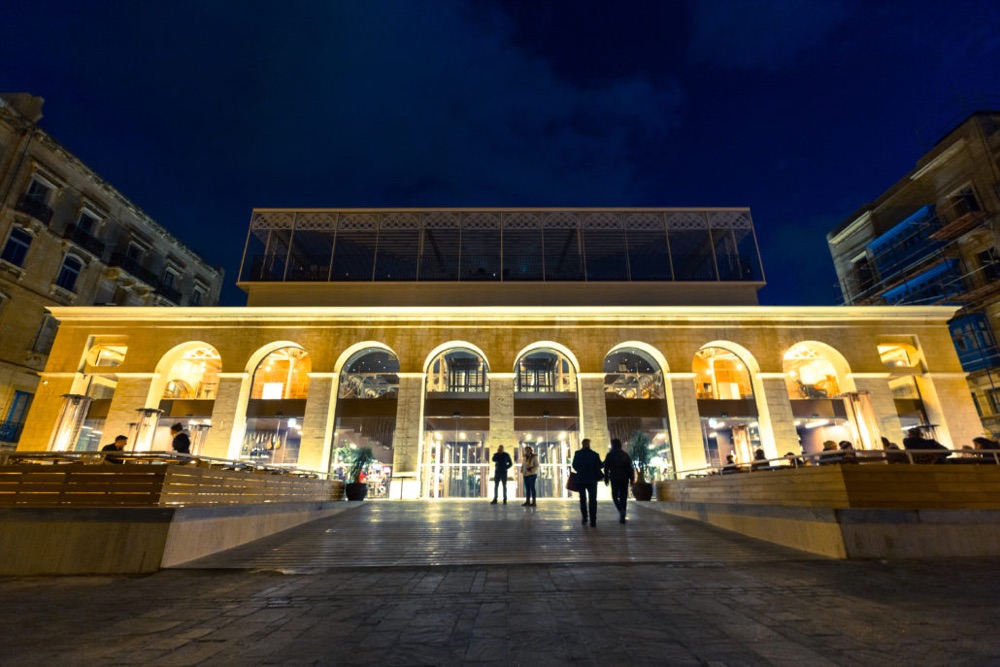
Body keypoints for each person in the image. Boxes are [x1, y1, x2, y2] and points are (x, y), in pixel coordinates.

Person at [571, 438, 603, 527]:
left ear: (582, 444)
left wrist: (581, 470)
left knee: (583, 499)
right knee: (593, 500)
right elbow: (600, 465)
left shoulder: (577, 454)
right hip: (592, 480)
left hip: (581, 479)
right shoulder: (594, 454)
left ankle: (584, 517)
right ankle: (593, 520)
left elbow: (574, 465)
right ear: (589, 444)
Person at [603, 438, 634, 524]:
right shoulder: (625, 455)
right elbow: (630, 468)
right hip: (624, 478)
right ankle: (622, 513)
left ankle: (621, 510)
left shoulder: (610, 455)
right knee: (623, 497)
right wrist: (632, 478)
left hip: (614, 478)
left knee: (614, 496)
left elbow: (606, 468)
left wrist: (606, 478)